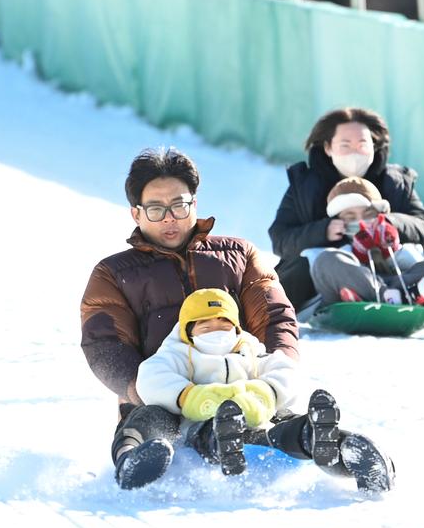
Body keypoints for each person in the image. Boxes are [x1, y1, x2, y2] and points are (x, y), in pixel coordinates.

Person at [80, 147, 392, 492]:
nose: (169, 217)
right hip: (164, 397)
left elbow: (275, 316)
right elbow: (104, 344)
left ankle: (345, 450)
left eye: (179, 205)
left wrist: (275, 377)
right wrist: (139, 389)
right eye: (155, 209)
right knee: (146, 421)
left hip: (244, 386)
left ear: (194, 204)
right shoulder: (113, 273)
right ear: (136, 213)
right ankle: (136, 459)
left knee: (280, 421)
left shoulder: (238, 255)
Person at [269, 106, 424, 339]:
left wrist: (391, 224)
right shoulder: (306, 186)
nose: (355, 151)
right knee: (310, 262)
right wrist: (323, 231)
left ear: (374, 146)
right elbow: (280, 239)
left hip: (394, 268)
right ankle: (273, 319)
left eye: (362, 144)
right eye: (345, 145)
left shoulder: (395, 182)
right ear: (328, 147)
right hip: (337, 276)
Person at [310, 177, 424, 309]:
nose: (361, 221)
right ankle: (379, 296)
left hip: (401, 283)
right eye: (351, 217)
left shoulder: (392, 235)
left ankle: (407, 295)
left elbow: (417, 262)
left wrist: (392, 250)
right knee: (326, 260)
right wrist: (358, 253)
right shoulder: (339, 247)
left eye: (368, 214)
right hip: (361, 284)